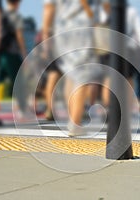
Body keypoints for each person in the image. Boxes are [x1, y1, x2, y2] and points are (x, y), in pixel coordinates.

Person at [42, 0, 102, 136]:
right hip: (81, 28)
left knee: (70, 74)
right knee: (82, 75)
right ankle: (75, 123)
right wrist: (92, 18)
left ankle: (72, 118)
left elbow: (48, 8)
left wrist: (45, 35)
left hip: (61, 31)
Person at [0, 0, 27, 115]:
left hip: (0, 54)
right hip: (12, 54)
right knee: (19, 82)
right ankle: (22, 109)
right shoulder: (16, 16)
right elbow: (19, 36)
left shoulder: (1, 15)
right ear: (18, 3)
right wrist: (24, 54)